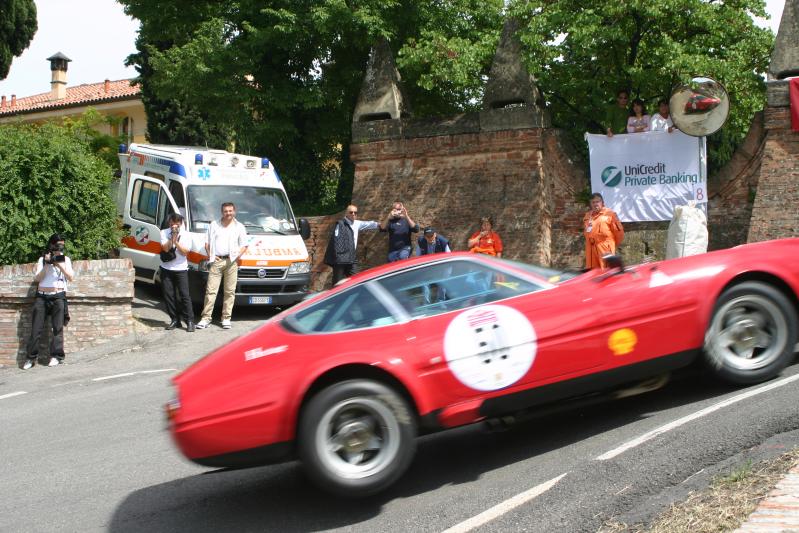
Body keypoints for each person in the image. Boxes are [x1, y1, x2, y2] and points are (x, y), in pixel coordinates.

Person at [23, 234, 74, 369]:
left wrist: (59, 265)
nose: (60, 248)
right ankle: (30, 358)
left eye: (62, 245)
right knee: (36, 328)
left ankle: (56, 356)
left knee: (57, 328)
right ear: (52, 245)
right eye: (57, 245)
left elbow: (70, 277)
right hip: (42, 296)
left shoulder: (65, 259)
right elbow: (38, 279)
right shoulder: (42, 259)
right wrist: (47, 264)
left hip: (58, 296)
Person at [195, 203, 248, 330]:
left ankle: (226, 318)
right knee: (211, 291)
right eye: (225, 211)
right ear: (222, 212)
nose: (228, 213)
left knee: (229, 292)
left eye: (230, 211)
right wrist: (211, 256)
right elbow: (207, 243)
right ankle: (205, 318)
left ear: (234, 211)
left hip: (231, 262)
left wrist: (235, 257)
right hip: (216, 261)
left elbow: (244, 245)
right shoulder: (214, 225)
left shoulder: (239, 227)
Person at [324, 204, 381, 285]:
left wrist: (379, 224)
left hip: (351, 257)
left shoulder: (357, 223)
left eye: (355, 212)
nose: (353, 214)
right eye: (351, 212)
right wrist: (338, 257)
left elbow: (368, 224)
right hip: (341, 258)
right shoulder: (340, 224)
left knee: (356, 280)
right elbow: (336, 241)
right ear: (346, 213)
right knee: (337, 283)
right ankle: (334, 297)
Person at [160, 213, 194, 332]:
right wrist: (171, 238)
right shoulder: (164, 232)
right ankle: (175, 319)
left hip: (181, 269)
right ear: (169, 223)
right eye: (172, 223)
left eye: (177, 223)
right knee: (169, 295)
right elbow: (165, 248)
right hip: (166, 268)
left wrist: (177, 241)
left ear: (181, 223)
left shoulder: (187, 235)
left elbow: (185, 252)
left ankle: (190, 321)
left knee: (185, 296)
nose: (174, 226)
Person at [583, 193, 625, 269]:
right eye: (593, 202)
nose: (595, 204)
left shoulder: (610, 214)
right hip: (591, 248)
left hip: (604, 248)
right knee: (592, 272)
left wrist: (610, 244)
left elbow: (619, 233)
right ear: (590, 204)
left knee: (606, 270)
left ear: (602, 203)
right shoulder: (587, 215)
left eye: (597, 201)